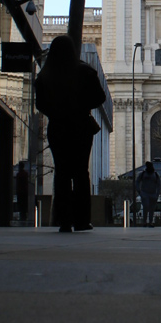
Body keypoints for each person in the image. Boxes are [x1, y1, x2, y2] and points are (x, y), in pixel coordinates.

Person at [35, 34, 106, 233]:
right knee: (81, 173)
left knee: (62, 173)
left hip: (57, 127)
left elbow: (40, 104)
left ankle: (64, 221)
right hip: (81, 126)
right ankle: (82, 220)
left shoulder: (45, 75)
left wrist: (58, 112)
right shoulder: (84, 71)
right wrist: (80, 107)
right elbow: (99, 97)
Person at [136, 160, 161, 227]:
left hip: (153, 193)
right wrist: (140, 191)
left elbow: (159, 184)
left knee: (152, 208)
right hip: (145, 193)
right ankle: (144, 221)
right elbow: (137, 182)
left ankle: (150, 222)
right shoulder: (143, 173)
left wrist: (157, 194)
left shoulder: (155, 174)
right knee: (146, 207)